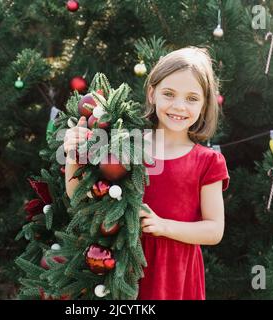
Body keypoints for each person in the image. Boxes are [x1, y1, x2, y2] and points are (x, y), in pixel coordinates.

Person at [63, 46, 230, 300]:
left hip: (174, 275)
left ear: (205, 102)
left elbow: (214, 230)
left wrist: (164, 227)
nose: (179, 106)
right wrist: (74, 154)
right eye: (169, 94)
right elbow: (79, 196)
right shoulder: (125, 145)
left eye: (192, 98)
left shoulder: (208, 162)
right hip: (121, 267)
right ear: (152, 93)